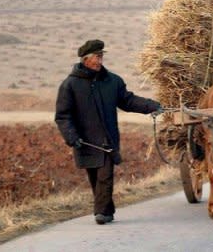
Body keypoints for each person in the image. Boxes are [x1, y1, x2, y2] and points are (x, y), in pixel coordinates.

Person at [55, 39, 163, 225]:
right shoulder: (70, 85)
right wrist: (72, 138)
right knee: (95, 178)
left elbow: (128, 101)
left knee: (105, 175)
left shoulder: (112, 81)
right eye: (97, 57)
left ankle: (101, 212)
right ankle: (108, 209)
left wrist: (151, 106)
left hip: (107, 140)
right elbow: (63, 116)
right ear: (85, 59)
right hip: (84, 141)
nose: (100, 61)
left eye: (101, 56)